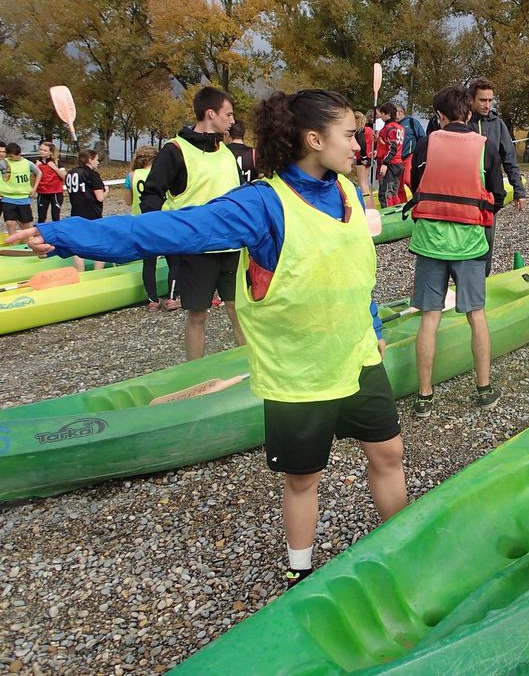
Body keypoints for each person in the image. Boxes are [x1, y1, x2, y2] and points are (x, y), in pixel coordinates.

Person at [8, 88, 406, 588]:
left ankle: (400, 544)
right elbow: (165, 230)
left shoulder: (347, 191)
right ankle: (298, 572)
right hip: (300, 375)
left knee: (388, 455)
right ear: (313, 138)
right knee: (303, 479)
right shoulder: (262, 205)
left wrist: (371, 326)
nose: (358, 145)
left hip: (357, 357)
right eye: (350, 134)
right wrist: (66, 236)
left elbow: (355, 271)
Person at [409, 85, 506, 418]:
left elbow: (414, 183)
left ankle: (424, 396)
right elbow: (496, 195)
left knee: (429, 318)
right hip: (469, 243)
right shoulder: (487, 147)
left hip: (430, 243)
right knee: (475, 315)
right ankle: (483, 389)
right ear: (468, 113)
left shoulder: (424, 145)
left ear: (439, 116)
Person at [140, 86, 246, 359]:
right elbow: (152, 195)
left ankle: (251, 371)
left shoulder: (225, 152)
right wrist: (160, 234)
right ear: (211, 114)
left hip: (232, 246)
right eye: (228, 114)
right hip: (196, 250)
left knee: (240, 310)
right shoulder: (175, 151)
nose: (232, 121)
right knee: (199, 315)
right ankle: (195, 378)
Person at [467, 78, 528, 275]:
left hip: (490, 193)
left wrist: (518, 190)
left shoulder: (497, 124)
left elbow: (509, 158)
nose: (487, 105)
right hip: (466, 191)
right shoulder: (462, 122)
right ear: (471, 99)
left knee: (487, 240)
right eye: (482, 100)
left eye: (490, 100)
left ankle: (483, 281)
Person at [124, 146, 175, 311]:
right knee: (173, 260)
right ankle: (172, 297)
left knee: (149, 262)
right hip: (164, 219)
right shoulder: (164, 174)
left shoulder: (132, 176)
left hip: (142, 222)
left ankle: (153, 300)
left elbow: (128, 201)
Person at [64, 149, 109, 273]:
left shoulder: (70, 173)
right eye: (96, 159)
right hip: (92, 213)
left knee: (78, 244)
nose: (98, 162)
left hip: (76, 212)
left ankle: (80, 272)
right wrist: (107, 191)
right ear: (90, 160)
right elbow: (100, 197)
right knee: (101, 242)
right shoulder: (93, 174)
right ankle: (97, 272)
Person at [0, 143, 42, 235]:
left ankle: (26, 244)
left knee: (25, 223)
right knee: (10, 222)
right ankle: (12, 244)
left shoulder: (27, 163)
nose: (11, 158)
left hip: (23, 198)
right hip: (7, 197)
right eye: (9, 156)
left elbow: (39, 172)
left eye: (13, 156)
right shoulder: (3, 163)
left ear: (19, 154)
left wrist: (34, 188)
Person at [374, 103, 405, 207]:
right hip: (398, 162)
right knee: (393, 192)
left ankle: (387, 215)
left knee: (385, 192)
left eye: (382, 114)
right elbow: (387, 144)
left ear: (387, 114)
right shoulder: (400, 127)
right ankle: (396, 212)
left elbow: (392, 147)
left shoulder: (388, 128)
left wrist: (385, 163)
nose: (381, 116)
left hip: (390, 164)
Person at [395, 103, 426, 204]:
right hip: (398, 157)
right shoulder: (394, 125)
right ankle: (403, 203)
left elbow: (422, 137)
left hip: (410, 155)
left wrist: (420, 154)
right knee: (398, 184)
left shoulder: (412, 122)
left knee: (408, 180)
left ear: (400, 112)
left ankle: (418, 199)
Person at [35, 141, 67, 222]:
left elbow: (65, 176)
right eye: (41, 149)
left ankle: (56, 233)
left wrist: (55, 168)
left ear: (50, 152)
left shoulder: (56, 163)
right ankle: (41, 233)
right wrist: (35, 168)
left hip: (55, 192)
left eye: (45, 150)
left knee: (55, 216)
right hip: (42, 192)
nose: (42, 151)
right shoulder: (37, 163)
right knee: (41, 216)